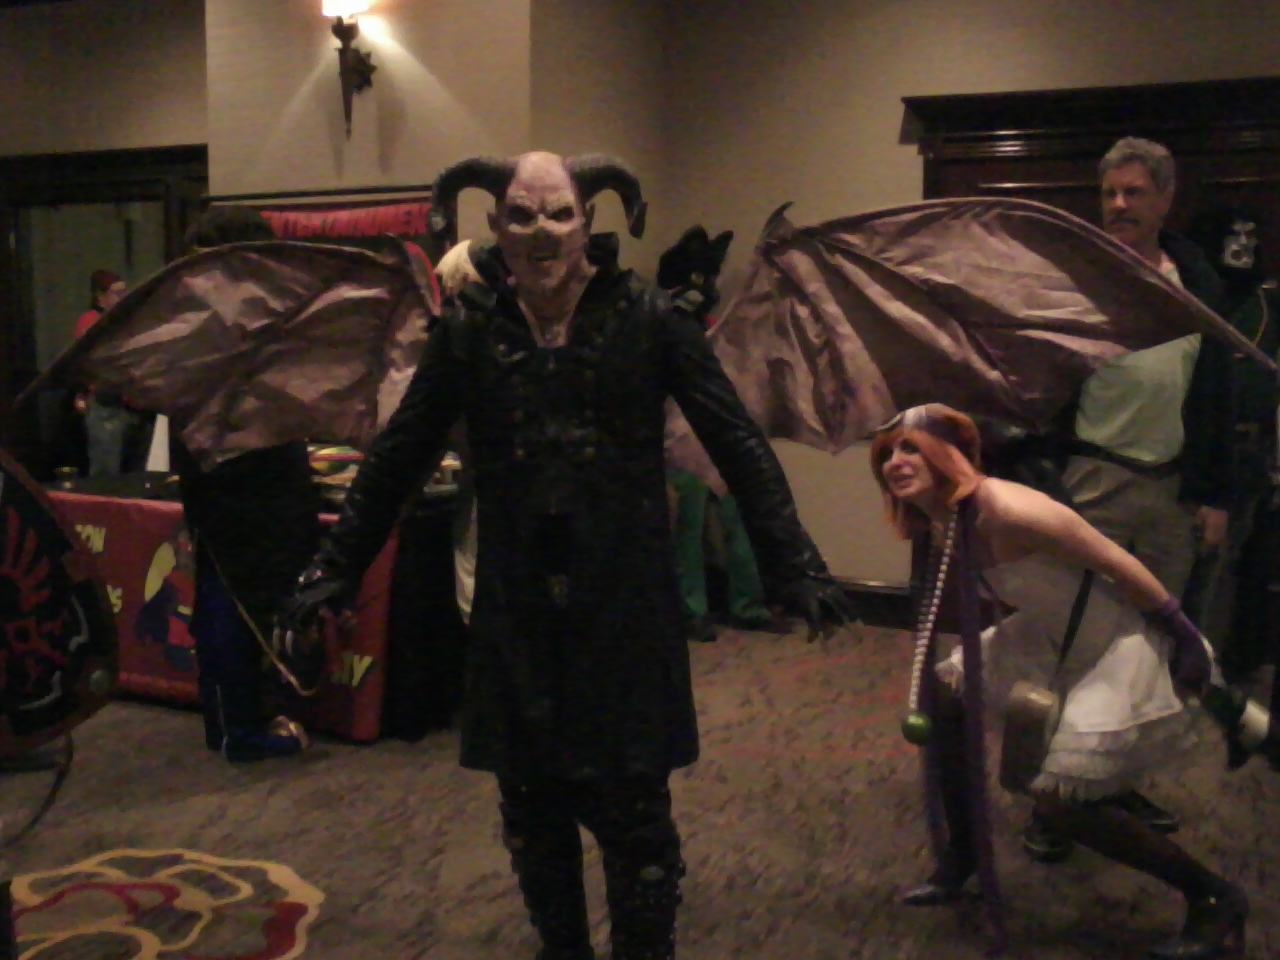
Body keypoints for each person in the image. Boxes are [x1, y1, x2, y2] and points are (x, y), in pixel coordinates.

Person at [276, 150, 854, 960]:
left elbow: (737, 441)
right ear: (495, 226)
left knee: (636, 822)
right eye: (522, 216)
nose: (541, 232)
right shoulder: (468, 331)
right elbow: (398, 455)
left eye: (558, 214)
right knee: (532, 818)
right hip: (516, 607)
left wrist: (795, 563)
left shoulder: (649, 318)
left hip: (625, 608)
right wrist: (335, 566)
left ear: (589, 223)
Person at [876, 404, 1246, 960]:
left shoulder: (1011, 507)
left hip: (1111, 644)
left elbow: (1117, 561)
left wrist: (1183, 636)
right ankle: (966, 854)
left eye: (910, 447)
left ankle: (1213, 897)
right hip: (1048, 633)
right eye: (886, 453)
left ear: (950, 452)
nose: (895, 462)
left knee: (1061, 802)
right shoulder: (942, 516)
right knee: (944, 695)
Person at [1026, 136, 1235, 860]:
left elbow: (1215, 394)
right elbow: (1037, 382)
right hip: (1091, 483)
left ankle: (1112, 785)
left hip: (1171, 490)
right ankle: (1051, 802)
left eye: (1134, 192)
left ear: (1165, 200)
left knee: (1147, 651)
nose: (1118, 204)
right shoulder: (1077, 278)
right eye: (1110, 192)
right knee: (1074, 643)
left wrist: (1213, 493)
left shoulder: (1196, 281)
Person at [173, 206, 319, 762]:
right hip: (244, 473)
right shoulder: (235, 319)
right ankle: (241, 728)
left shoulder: (206, 314)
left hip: (230, 470)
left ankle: (234, 720)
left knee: (234, 596)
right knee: (235, 601)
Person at [656, 226, 779, 641]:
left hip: (720, 439)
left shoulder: (715, 328)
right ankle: (690, 609)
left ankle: (749, 604)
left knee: (743, 524)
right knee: (687, 532)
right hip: (679, 441)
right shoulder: (659, 326)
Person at [1182, 205, 1280, 683]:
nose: (1241, 246)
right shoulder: (1192, 298)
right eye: (1232, 236)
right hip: (1196, 450)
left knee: (1229, 573)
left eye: (1249, 236)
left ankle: (1207, 673)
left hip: (1252, 458)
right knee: (1187, 567)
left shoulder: (1268, 306)